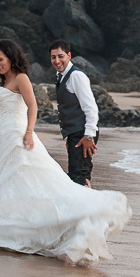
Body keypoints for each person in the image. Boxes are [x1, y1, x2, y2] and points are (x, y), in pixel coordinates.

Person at [0, 39, 131, 264]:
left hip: (19, 135)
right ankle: (16, 226)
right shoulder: (6, 80)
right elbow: (4, 111)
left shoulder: (22, 78)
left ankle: (74, 219)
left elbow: (33, 106)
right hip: (5, 137)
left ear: (11, 57)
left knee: (32, 175)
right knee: (11, 179)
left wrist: (30, 131)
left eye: (0, 59)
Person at [49, 39, 99, 188]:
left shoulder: (76, 76)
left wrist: (88, 135)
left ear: (69, 55)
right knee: (79, 175)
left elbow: (90, 107)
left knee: (78, 177)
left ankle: (91, 209)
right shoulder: (63, 75)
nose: (57, 61)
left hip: (83, 133)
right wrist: (70, 135)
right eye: (53, 57)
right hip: (76, 133)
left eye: (60, 56)